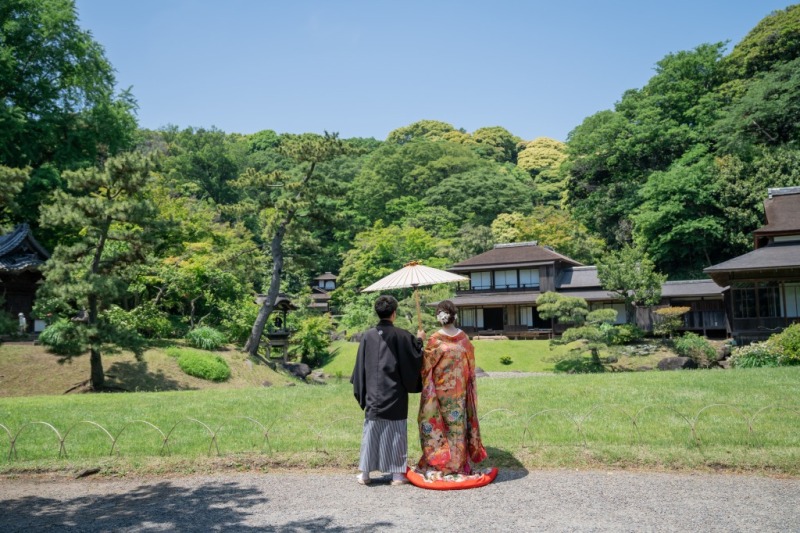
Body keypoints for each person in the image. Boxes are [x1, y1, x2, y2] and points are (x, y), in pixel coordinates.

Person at [351, 294, 426, 486]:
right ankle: (397, 475)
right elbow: (415, 357)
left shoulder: (367, 336)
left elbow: (360, 367)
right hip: (395, 393)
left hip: (373, 393)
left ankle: (365, 474)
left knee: (371, 432)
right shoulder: (402, 335)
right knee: (397, 433)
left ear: (378, 313)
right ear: (394, 313)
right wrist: (419, 340)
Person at [416, 300, 487, 479]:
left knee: (440, 424)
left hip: (440, 392)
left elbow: (425, 367)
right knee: (457, 426)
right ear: (454, 316)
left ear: (439, 317)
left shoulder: (435, 340)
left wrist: (420, 341)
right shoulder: (464, 339)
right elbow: (470, 366)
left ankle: (440, 462)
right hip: (460, 391)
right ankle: (458, 462)